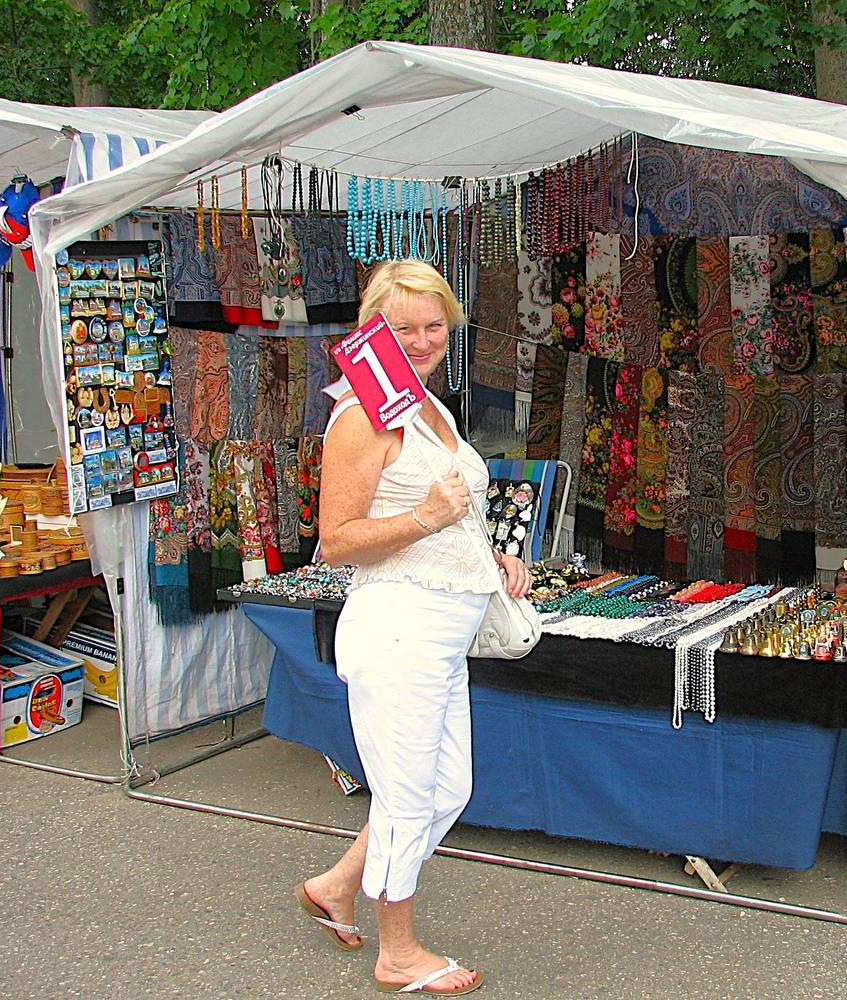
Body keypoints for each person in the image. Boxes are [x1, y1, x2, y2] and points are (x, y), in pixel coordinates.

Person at [295, 260, 531, 995]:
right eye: (404, 328)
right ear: (374, 330)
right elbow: (336, 540)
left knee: (446, 789)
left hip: (440, 633)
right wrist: (426, 517)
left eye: (435, 326)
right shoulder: (361, 416)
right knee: (405, 796)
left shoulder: (425, 405)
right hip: (399, 628)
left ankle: (337, 885)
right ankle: (396, 952)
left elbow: (454, 509)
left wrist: (491, 555)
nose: (424, 340)